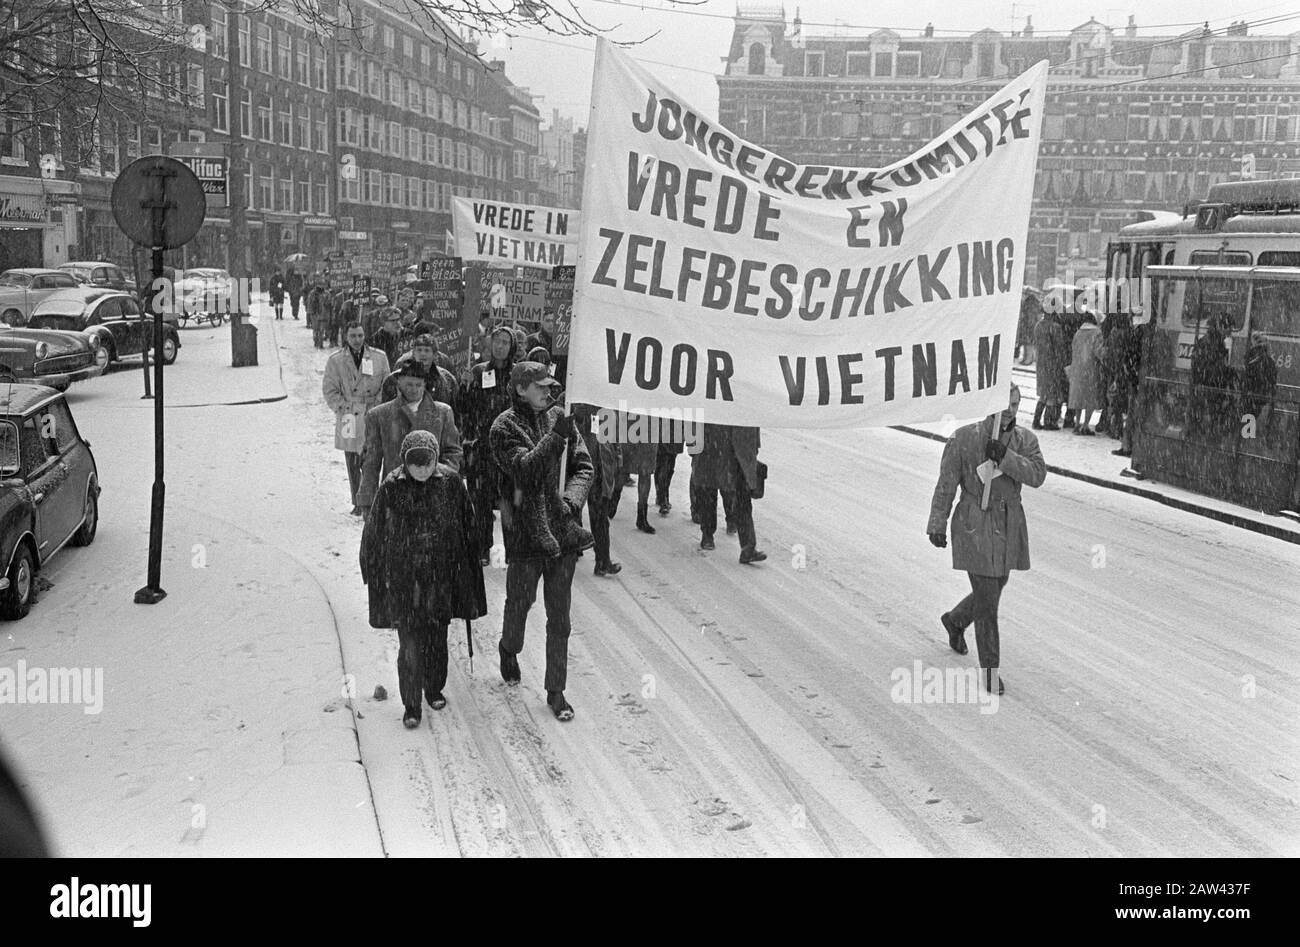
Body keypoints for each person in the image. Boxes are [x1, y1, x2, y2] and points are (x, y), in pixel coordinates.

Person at [490, 361, 594, 722]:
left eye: (551, 387)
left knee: (560, 617)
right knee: (521, 601)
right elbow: (526, 470)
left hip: (563, 533)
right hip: (524, 534)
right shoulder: (504, 427)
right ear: (520, 389)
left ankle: (556, 689)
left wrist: (570, 503)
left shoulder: (559, 419)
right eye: (541, 387)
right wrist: (557, 437)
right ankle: (509, 646)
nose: (549, 393)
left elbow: (584, 467)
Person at [361, 430, 486, 729]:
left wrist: (470, 561)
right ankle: (411, 703)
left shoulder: (451, 484)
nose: (420, 467)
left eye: (425, 460)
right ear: (405, 461)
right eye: (414, 461)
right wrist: (371, 568)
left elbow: (468, 526)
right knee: (410, 646)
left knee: (436, 639)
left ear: (435, 458)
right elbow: (374, 532)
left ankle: (433, 688)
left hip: (440, 578)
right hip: (404, 581)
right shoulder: (391, 487)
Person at [927, 385, 1046, 695]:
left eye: (1016, 404)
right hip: (974, 526)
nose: (1010, 410)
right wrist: (937, 523)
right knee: (988, 600)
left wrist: (1005, 458)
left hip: (1008, 527)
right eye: (1005, 403)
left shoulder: (1025, 440)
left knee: (995, 587)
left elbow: (1037, 475)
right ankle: (990, 671)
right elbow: (946, 483)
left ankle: (955, 621)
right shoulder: (964, 438)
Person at [358, 360, 463, 512]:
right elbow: (371, 461)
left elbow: (453, 452)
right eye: (409, 385)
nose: (414, 390)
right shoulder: (379, 415)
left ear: (425, 384)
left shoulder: (443, 413)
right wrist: (367, 500)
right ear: (399, 383)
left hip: (433, 494)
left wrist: (442, 477)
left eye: (418, 385)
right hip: (395, 492)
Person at [460, 325, 518, 563]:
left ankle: (513, 550)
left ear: (511, 346)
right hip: (483, 446)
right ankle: (483, 547)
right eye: (496, 341)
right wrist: (464, 387)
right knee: (480, 499)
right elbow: (465, 409)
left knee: (509, 501)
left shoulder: (519, 375)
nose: (500, 346)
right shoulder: (478, 371)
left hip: (510, 448)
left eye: (505, 342)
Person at [323, 322, 390, 515]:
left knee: (372, 456)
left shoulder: (379, 357)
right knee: (352, 459)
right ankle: (357, 501)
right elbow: (329, 388)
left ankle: (372, 498)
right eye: (353, 336)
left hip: (371, 411)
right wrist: (342, 407)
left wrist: (377, 406)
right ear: (346, 337)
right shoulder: (336, 360)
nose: (357, 340)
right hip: (349, 415)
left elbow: (387, 384)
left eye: (360, 335)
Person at [692, 423, 766, 563]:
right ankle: (707, 533)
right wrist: (693, 441)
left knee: (742, 498)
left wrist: (755, 442)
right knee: (708, 491)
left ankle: (748, 547)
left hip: (741, 447)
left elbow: (754, 412)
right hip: (712, 441)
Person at [573, 403, 623, 576]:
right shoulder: (573, 400)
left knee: (600, 516)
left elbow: (615, 433)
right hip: (579, 466)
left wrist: (617, 454)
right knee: (572, 511)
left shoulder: (608, 403)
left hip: (601, 467)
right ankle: (572, 549)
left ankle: (603, 560)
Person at [382, 334, 460, 415]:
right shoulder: (393, 379)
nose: (422, 354)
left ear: (435, 355)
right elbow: (385, 413)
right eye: (419, 350)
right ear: (413, 353)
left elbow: (455, 414)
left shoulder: (447, 380)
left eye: (427, 350)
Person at [1067, 313, 1104, 435]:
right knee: (1090, 398)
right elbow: (1098, 352)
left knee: (1078, 397)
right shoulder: (1097, 333)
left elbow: (1073, 349)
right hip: (1091, 369)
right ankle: (1085, 425)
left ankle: (1077, 423)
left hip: (1077, 369)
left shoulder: (1078, 333)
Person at [1032, 310, 1065, 430]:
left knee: (1043, 395)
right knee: (1052, 394)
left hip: (1041, 363)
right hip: (1053, 364)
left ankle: (1036, 420)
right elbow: (1059, 348)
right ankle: (1049, 422)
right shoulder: (1055, 327)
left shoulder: (1038, 325)